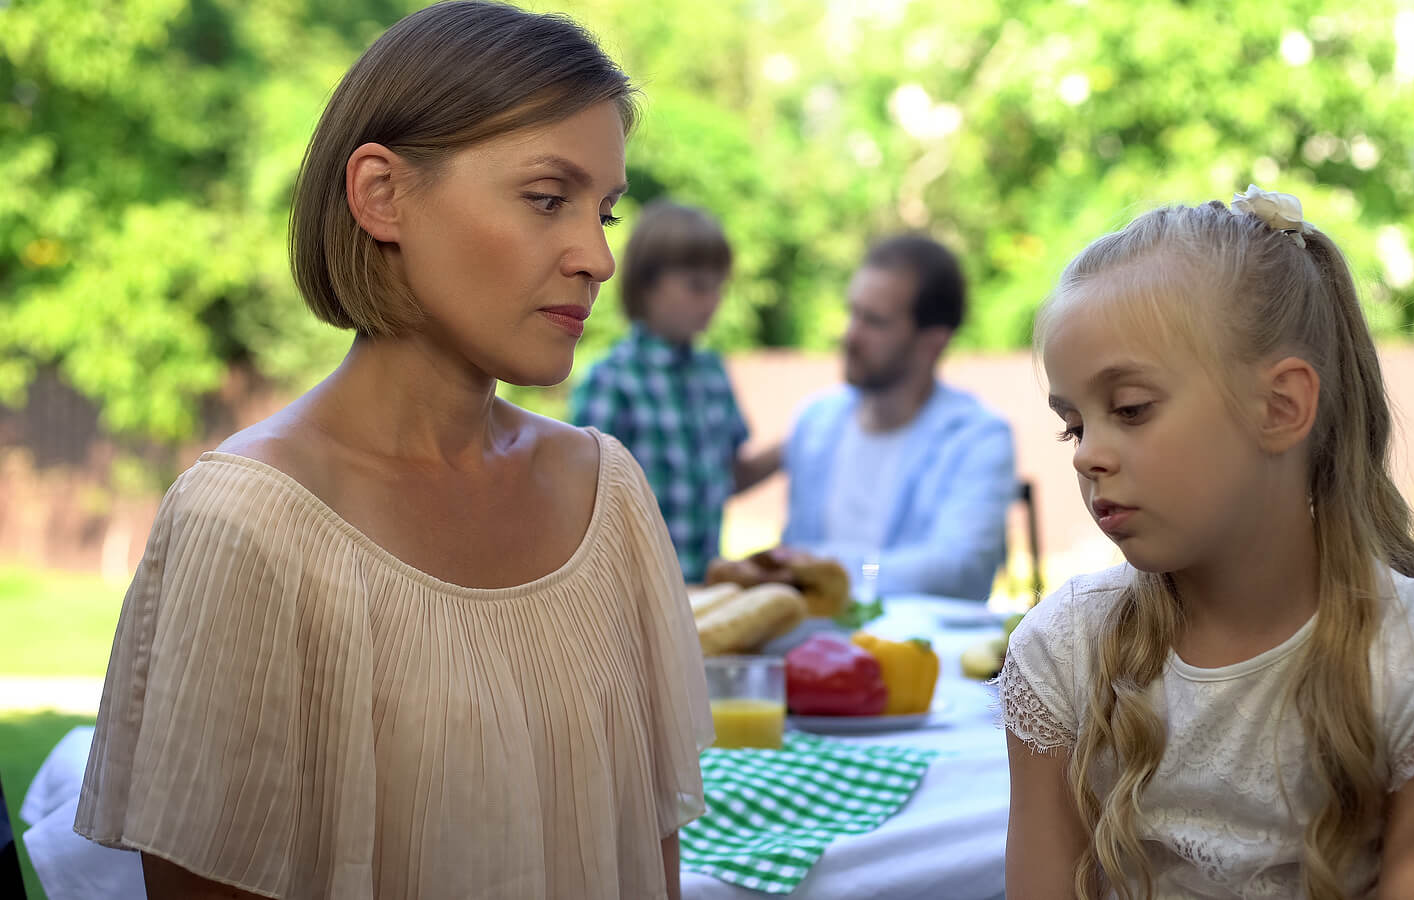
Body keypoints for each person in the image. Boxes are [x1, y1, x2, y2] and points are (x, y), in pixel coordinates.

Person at [73, 4, 712, 898]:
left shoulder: (603, 491)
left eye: (604, 210)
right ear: (381, 194)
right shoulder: (246, 524)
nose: (599, 257)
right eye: (546, 199)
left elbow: (647, 861)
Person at [999, 187, 1414, 899]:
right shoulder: (1060, 655)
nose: (1086, 454)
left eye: (1129, 410)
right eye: (1074, 423)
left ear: (1281, 408)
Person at [779, 234, 1016, 603]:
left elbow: (959, 569)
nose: (850, 335)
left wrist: (824, 569)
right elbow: (789, 559)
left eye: (873, 321)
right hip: (809, 652)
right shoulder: (815, 423)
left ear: (932, 343)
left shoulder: (976, 437)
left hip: (922, 656)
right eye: (852, 312)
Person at [570, 200, 781, 583]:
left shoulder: (713, 374)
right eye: (697, 287)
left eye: (719, 288)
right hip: (635, 592)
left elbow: (728, 476)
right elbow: (582, 504)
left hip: (706, 591)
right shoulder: (612, 380)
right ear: (646, 285)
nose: (712, 301)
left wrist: (796, 445)